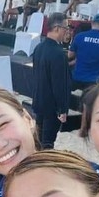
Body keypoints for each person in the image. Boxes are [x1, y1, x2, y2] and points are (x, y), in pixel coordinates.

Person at [32, 12, 71, 149]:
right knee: (48, 143)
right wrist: (62, 109)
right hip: (52, 106)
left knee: (39, 140)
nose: (67, 32)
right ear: (56, 28)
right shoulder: (59, 53)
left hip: (39, 101)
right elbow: (60, 84)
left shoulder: (38, 48)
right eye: (65, 28)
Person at [68, 12, 99, 91]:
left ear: (92, 23)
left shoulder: (79, 36)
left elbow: (70, 55)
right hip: (94, 81)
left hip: (76, 77)